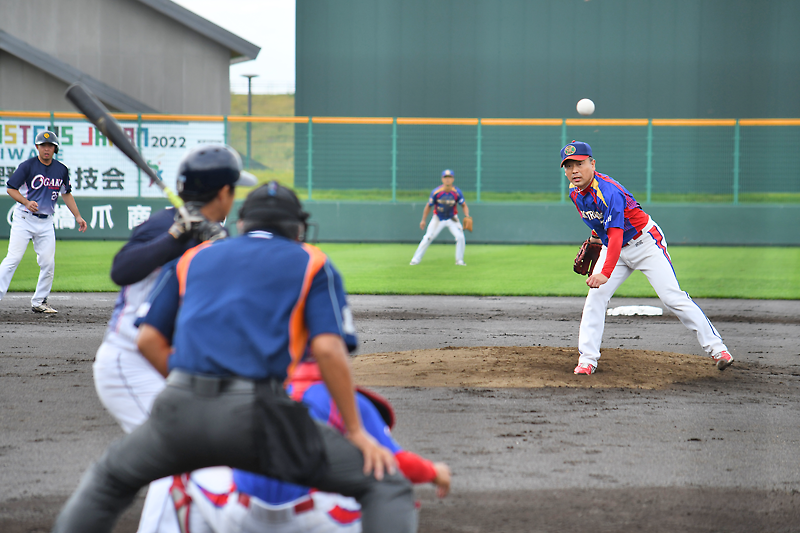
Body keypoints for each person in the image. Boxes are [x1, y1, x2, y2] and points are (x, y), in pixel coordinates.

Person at [52, 182, 417, 533]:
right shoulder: (312, 261)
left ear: (243, 223)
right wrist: (355, 431)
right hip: (260, 414)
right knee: (387, 486)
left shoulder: (194, 257)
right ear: (298, 227)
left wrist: (186, 385)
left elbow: (148, 340)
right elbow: (327, 350)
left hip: (179, 410)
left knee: (109, 481)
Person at [91, 144, 256, 533]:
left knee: (191, 454)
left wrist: (213, 243)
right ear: (223, 193)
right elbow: (121, 269)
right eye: (234, 189)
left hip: (166, 361)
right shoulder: (164, 223)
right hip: (129, 361)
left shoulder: (214, 234)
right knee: (179, 452)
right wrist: (175, 235)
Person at [177, 359, 451, 533]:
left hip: (240, 518)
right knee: (391, 495)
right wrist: (433, 471)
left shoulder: (250, 387)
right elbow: (397, 464)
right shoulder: (341, 398)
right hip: (313, 521)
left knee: (179, 475)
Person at [561, 140, 733, 375]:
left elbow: (616, 233)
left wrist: (604, 272)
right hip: (614, 246)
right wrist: (593, 241)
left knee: (672, 297)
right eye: (568, 166)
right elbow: (600, 224)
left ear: (592, 163)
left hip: (645, 244)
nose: (574, 171)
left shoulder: (608, 191)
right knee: (595, 299)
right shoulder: (574, 193)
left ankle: (718, 349)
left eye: (579, 164)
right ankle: (587, 360)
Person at [0, 131, 87, 313]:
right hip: (24, 219)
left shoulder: (61, 169)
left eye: (50, 146)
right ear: (37, 147)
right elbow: (10, 188)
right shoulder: (27, 166)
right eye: (43, 145)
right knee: (13, 259)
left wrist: (77, 216)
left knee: (48, 263)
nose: (46, 149)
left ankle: (39, 301)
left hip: (46, 222)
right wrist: (25, 201)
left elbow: (66, 193)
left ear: (55, 149)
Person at [410, 169, 469, 266]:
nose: (447, 180)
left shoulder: (457, 192)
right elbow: (428, 206)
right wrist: (423, 220)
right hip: (438, 218)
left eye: (449, 177)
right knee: (428, 237)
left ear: (453, 179)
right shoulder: (436, 192)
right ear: (442, 179)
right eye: (445, 177)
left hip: (452, 218)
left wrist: (467, 215)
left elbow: (464, 205)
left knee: (460, 237)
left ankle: (459, 260)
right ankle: (415, 259)